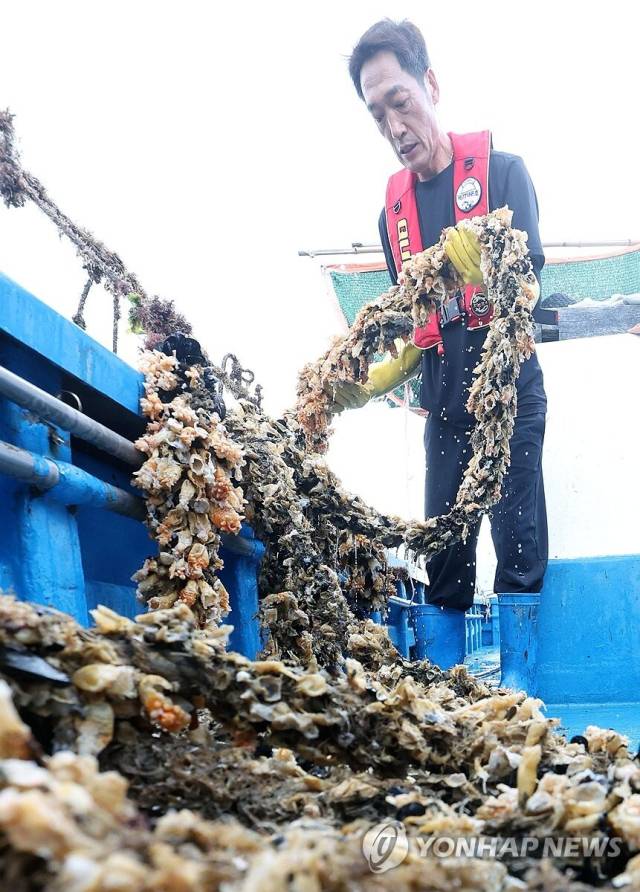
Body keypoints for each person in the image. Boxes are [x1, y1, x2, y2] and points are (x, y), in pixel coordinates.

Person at [330, 19, 548, 673]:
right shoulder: (391, 214)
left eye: (400, 101)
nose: (395, 126)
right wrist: (373, 376)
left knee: (518, 538)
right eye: (377, 115)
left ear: (430, 84)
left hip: (511, 395)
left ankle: (520, 684)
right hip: (445, 407)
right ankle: (448, 683)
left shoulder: (503, 173)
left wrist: (475, 261)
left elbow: (528, 271)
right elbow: (409, 323)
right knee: (446, 553)